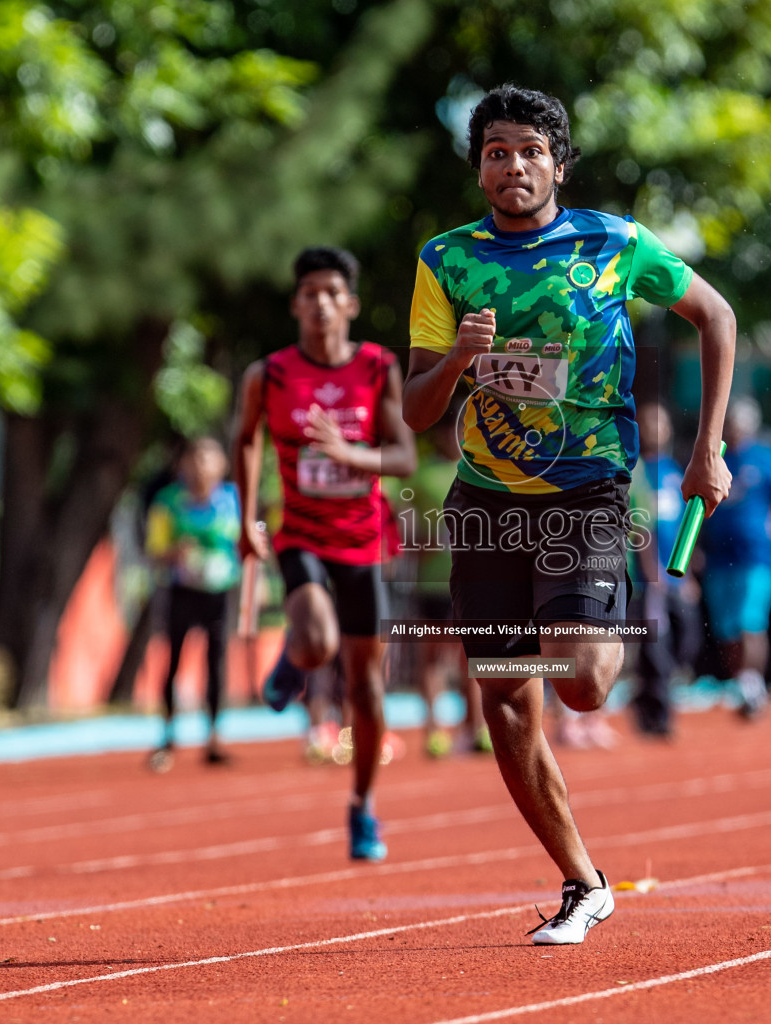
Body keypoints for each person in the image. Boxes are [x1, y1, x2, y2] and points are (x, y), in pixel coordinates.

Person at [402, 85, 733, 944]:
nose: (513, 166)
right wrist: (459, 361)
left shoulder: (615, 245)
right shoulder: (446, 259)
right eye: (496, 152)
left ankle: (589, 645)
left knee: (581, 683)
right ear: (479, 168)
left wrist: (707, 449)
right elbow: (413, 409)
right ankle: (583, 882)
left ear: (559, 163)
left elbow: (716, 316)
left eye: (529, 151)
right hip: (487, 500)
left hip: (587, 492)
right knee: (505, 699)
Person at [233, 247, 416, 861]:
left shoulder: (377, 367)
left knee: (366, 690)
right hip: (302, 533)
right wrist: (247, 520)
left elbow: (403, 458)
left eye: (331, 292)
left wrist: (348, 454)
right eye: (308, 292)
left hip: (364, 540)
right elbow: (245, 439)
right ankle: (298, 654)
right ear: (295, 304)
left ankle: (363, 807)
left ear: (351, 304)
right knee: (317, 643)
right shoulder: (271, 374)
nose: (319, 303)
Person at [698, 397, 771, 719]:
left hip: (756, 557)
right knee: (727, 628)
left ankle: (753, 684)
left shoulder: (768, 460)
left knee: (749, 622)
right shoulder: (714, 458)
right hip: (718, 559)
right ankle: (741, 685)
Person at [393, 415, 488, 758]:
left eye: (460, 431)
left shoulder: (482, 472)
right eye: (449, 431)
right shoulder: (421, 476)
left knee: (473, 658)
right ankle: (434, 731)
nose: (455, 437)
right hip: (433, 582)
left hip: (475, 583)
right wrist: (417, 543)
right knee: (432, 657)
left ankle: (475, 729)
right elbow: (401, 521)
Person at [145, 436, 242, 771]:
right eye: (194, 458)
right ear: (182, 465)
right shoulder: (168, 502)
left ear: (222, 465)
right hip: (181, 590)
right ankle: (168, 734)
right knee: (173, 660)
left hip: (219, 592)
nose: (201, 465)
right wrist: (175, 552)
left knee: (216, 662)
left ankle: (214, 735)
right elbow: (154, 549)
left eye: (208, 458)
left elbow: (253, 535)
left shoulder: (233, 500)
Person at [627, 401, 700, 738]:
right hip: (649, 578)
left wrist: (688, 570)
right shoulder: (635, 471)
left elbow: (684, 523)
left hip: (676, 576)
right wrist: (653, 571)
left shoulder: (675, 470)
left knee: (688, 639)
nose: (656, 429)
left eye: (661, 423)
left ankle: (647, 698)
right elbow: (641, 528)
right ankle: (657, 713)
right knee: (657, 643)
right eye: (649, 423)